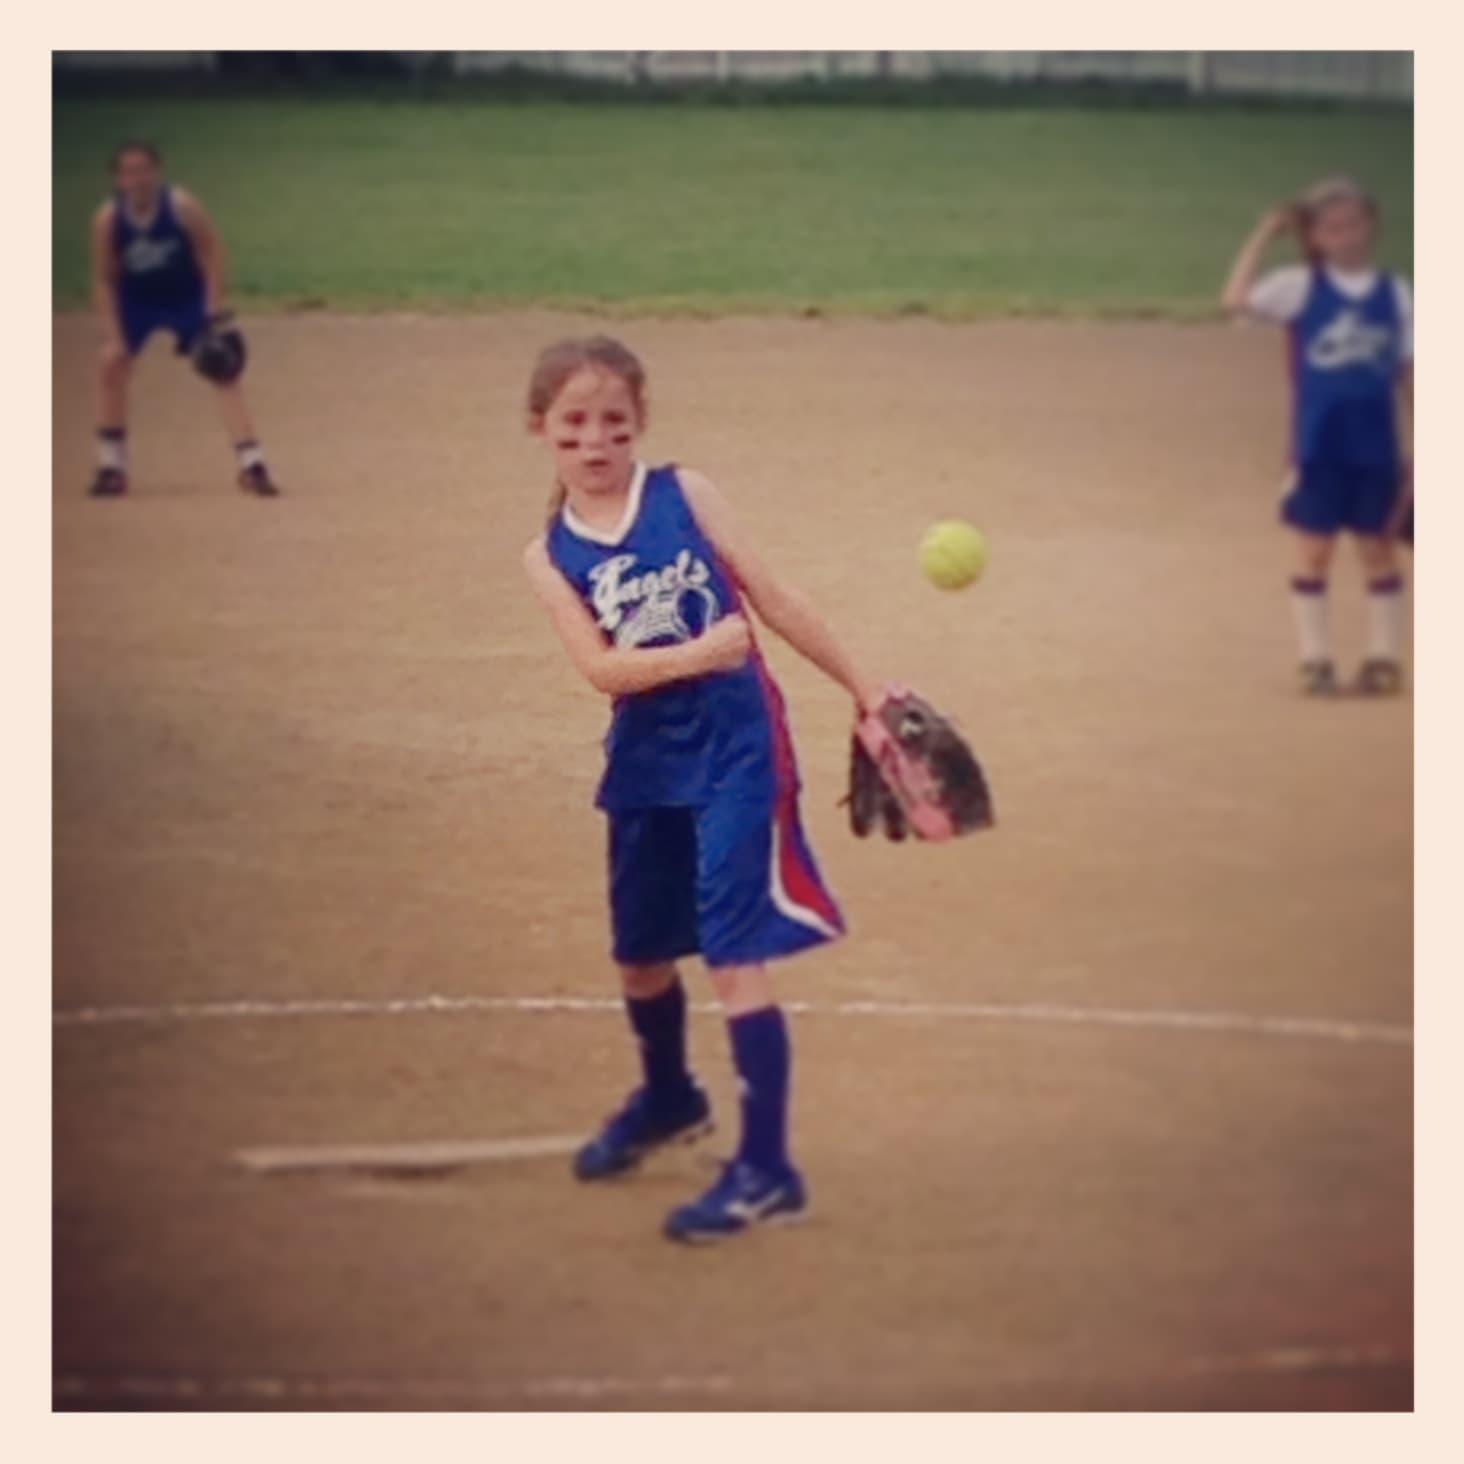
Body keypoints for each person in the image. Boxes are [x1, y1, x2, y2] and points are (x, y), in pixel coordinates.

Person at [521, 336, 880, 1244]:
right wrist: (698, 653)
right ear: (542, 431)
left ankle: (768, 1171)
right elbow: (602, 670)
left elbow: (775, 595)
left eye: (613, 421)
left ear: (639, 422)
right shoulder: (547, 552)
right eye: (574, 425)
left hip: (734, 751)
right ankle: (672, 1098)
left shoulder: (683, 493)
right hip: (645, 764)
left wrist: (866, 689)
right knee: (642, 956)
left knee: (729, 952)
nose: (595, 441)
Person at [1221, 176, 1413, 696]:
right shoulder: (1302, 286)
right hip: (1318, 446)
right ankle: (1316, 660)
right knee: (1313, 553)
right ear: (1317, 236)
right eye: (1332, 227)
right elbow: (1236, 300)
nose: (1346, 235)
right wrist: (1266, 232)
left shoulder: (1396, 294)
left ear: (1371, 225)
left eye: (1353, 223)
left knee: (1378, 551)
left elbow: (1409, 372)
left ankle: (1383, 658)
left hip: (1377, 449)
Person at [87, 140, 280, 498]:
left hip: (185, 296)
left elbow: (212, 253)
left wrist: (212, 310)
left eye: (143, 170)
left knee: (222, 365)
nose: (137, 179)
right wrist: (113, 336)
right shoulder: (108, 219)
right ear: (117, 179)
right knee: (111, 365)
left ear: (156, 172)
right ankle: (111, 466)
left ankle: (252, 464)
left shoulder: (180, 207)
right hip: (137, 300)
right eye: (128, 172)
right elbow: (104, 279)